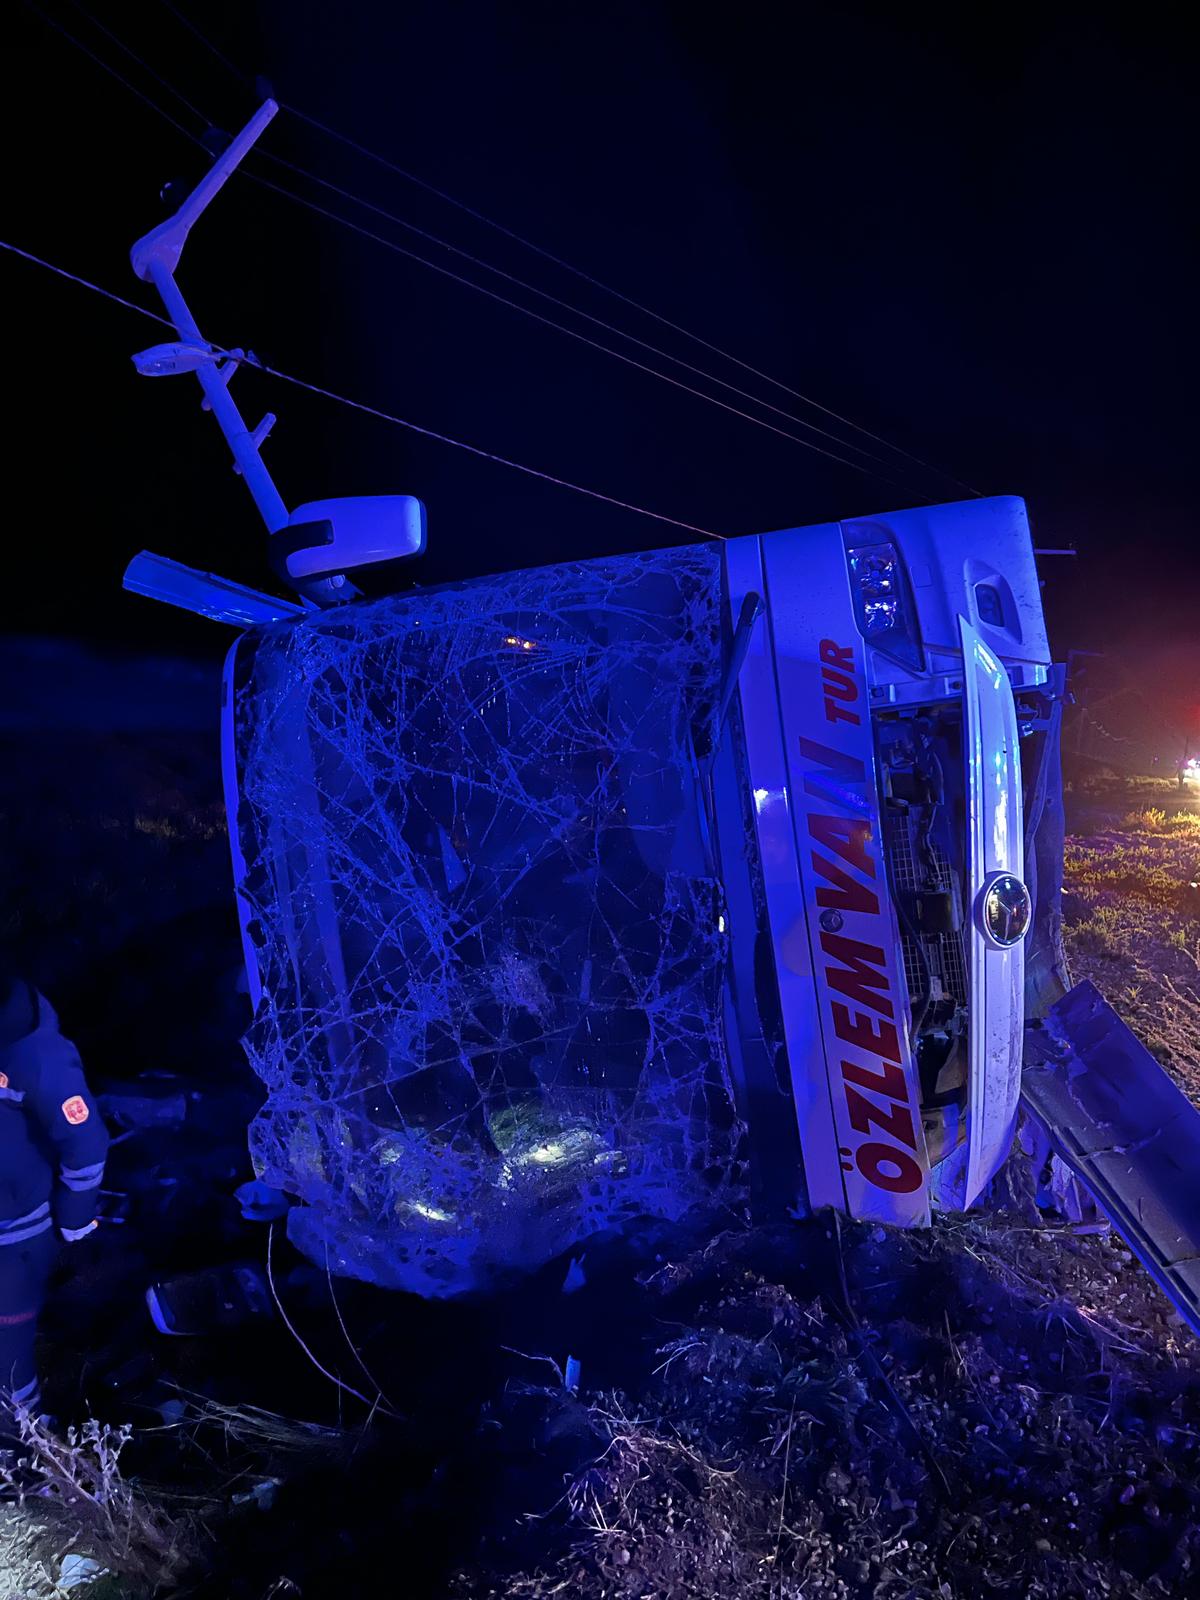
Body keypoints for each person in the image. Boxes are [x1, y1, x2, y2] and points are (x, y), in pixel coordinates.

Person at [0, 961, 108, 1419]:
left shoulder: (33, 1054)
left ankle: (20, 1443)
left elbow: (85, 1143)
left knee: (6, 1357)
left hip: (16, 1236)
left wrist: (75, 1220)